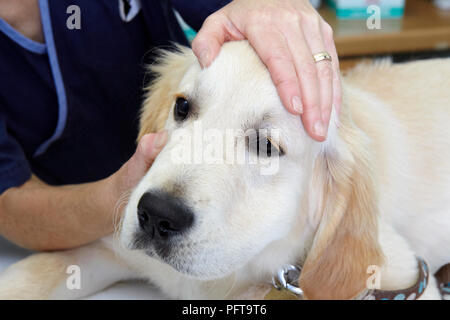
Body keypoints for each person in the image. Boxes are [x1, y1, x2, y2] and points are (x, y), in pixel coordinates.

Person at [0, 0, 341, 251]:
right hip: (83, 234)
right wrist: (121, 194)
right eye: (183, 108)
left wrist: (264, 6)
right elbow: (10, 204)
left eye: (265, 145)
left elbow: (246, 14)